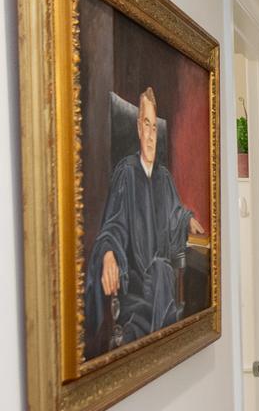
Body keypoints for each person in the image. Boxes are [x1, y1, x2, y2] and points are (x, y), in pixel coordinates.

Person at [85, 87, 205, 351]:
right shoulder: (126, 173)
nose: (150, 136)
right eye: (146, 126)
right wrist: (108, 253)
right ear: (138, 128)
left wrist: (186, 219)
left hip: (161, 280)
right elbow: (113, 226)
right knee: (159, 282)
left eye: (154, 128)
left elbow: (175, 213)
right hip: (135, 286)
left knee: (163, 272)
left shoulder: (164, 178)